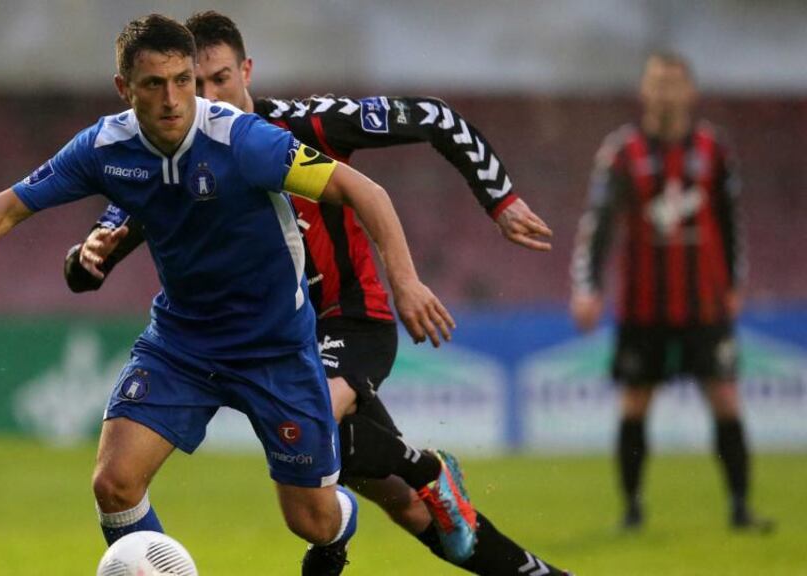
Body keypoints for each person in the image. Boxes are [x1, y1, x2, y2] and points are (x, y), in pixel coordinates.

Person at [0, 13, 459, 568]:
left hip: (275, 348)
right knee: (114, 484)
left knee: (311, 520)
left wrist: (406, 281)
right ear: (124, 89)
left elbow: (364, 191)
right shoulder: (105, 147)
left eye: (183, 81)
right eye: (155, 84)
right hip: (183, 343)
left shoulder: (242, 140)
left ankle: (339, 528)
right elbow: (10, 204)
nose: (174, 99)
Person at [66, 11, 571, 576]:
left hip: (348, 321)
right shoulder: (173, 156)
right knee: (395, 502)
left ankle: (424, 472)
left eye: (220, 79)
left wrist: (498, 199)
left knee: (328, 431)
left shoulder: (300, 128)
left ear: (247, 70)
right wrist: (87, 256)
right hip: (271, 338)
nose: (205, 96)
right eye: (194, 82)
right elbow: (89, 266)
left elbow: (435, 117)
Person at [570, 52, 772, 532]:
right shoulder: (621, 151)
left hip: (704, 301)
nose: (664, 92)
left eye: (673, 83)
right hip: (644, 305)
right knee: (636, 401)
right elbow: (597, 225)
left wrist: (736, 283)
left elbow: (730, 221)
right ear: (643, 91)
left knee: (725, 395)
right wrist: (588, 287)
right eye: (656, 82)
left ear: (690, 91)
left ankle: (740, 508)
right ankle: (632, 510)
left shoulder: (713, 149)